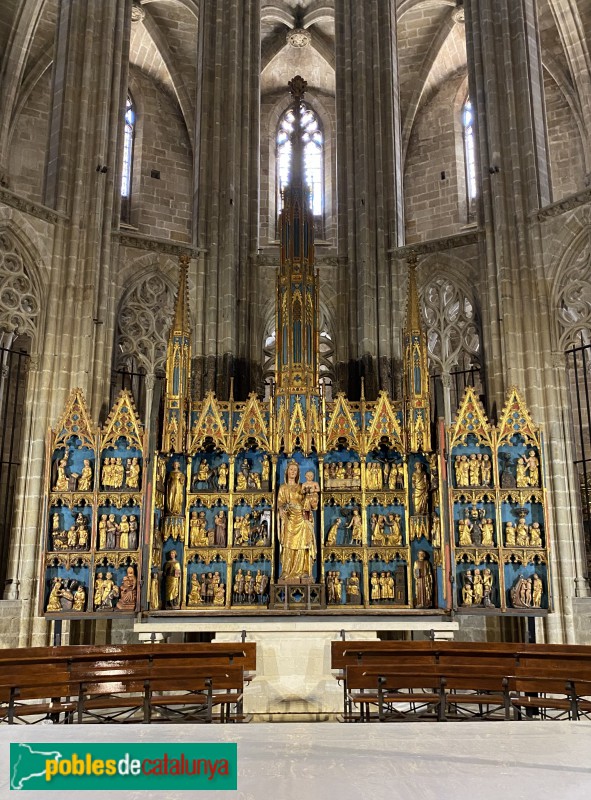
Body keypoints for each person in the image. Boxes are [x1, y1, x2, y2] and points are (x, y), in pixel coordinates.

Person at [277, 460, 316, 581]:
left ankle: (303, 571)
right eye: (291, 469)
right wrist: (282, 509)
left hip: (301, 518)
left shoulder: (301, 486)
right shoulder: (283, 488)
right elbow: (280, 502)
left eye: (295, 470)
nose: (293, 472)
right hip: (289, 518)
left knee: (302, 544)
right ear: (287, 472)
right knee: (288, 544)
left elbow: (308, 502)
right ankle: (286, 571)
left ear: (298, 473)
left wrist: (310, 497)